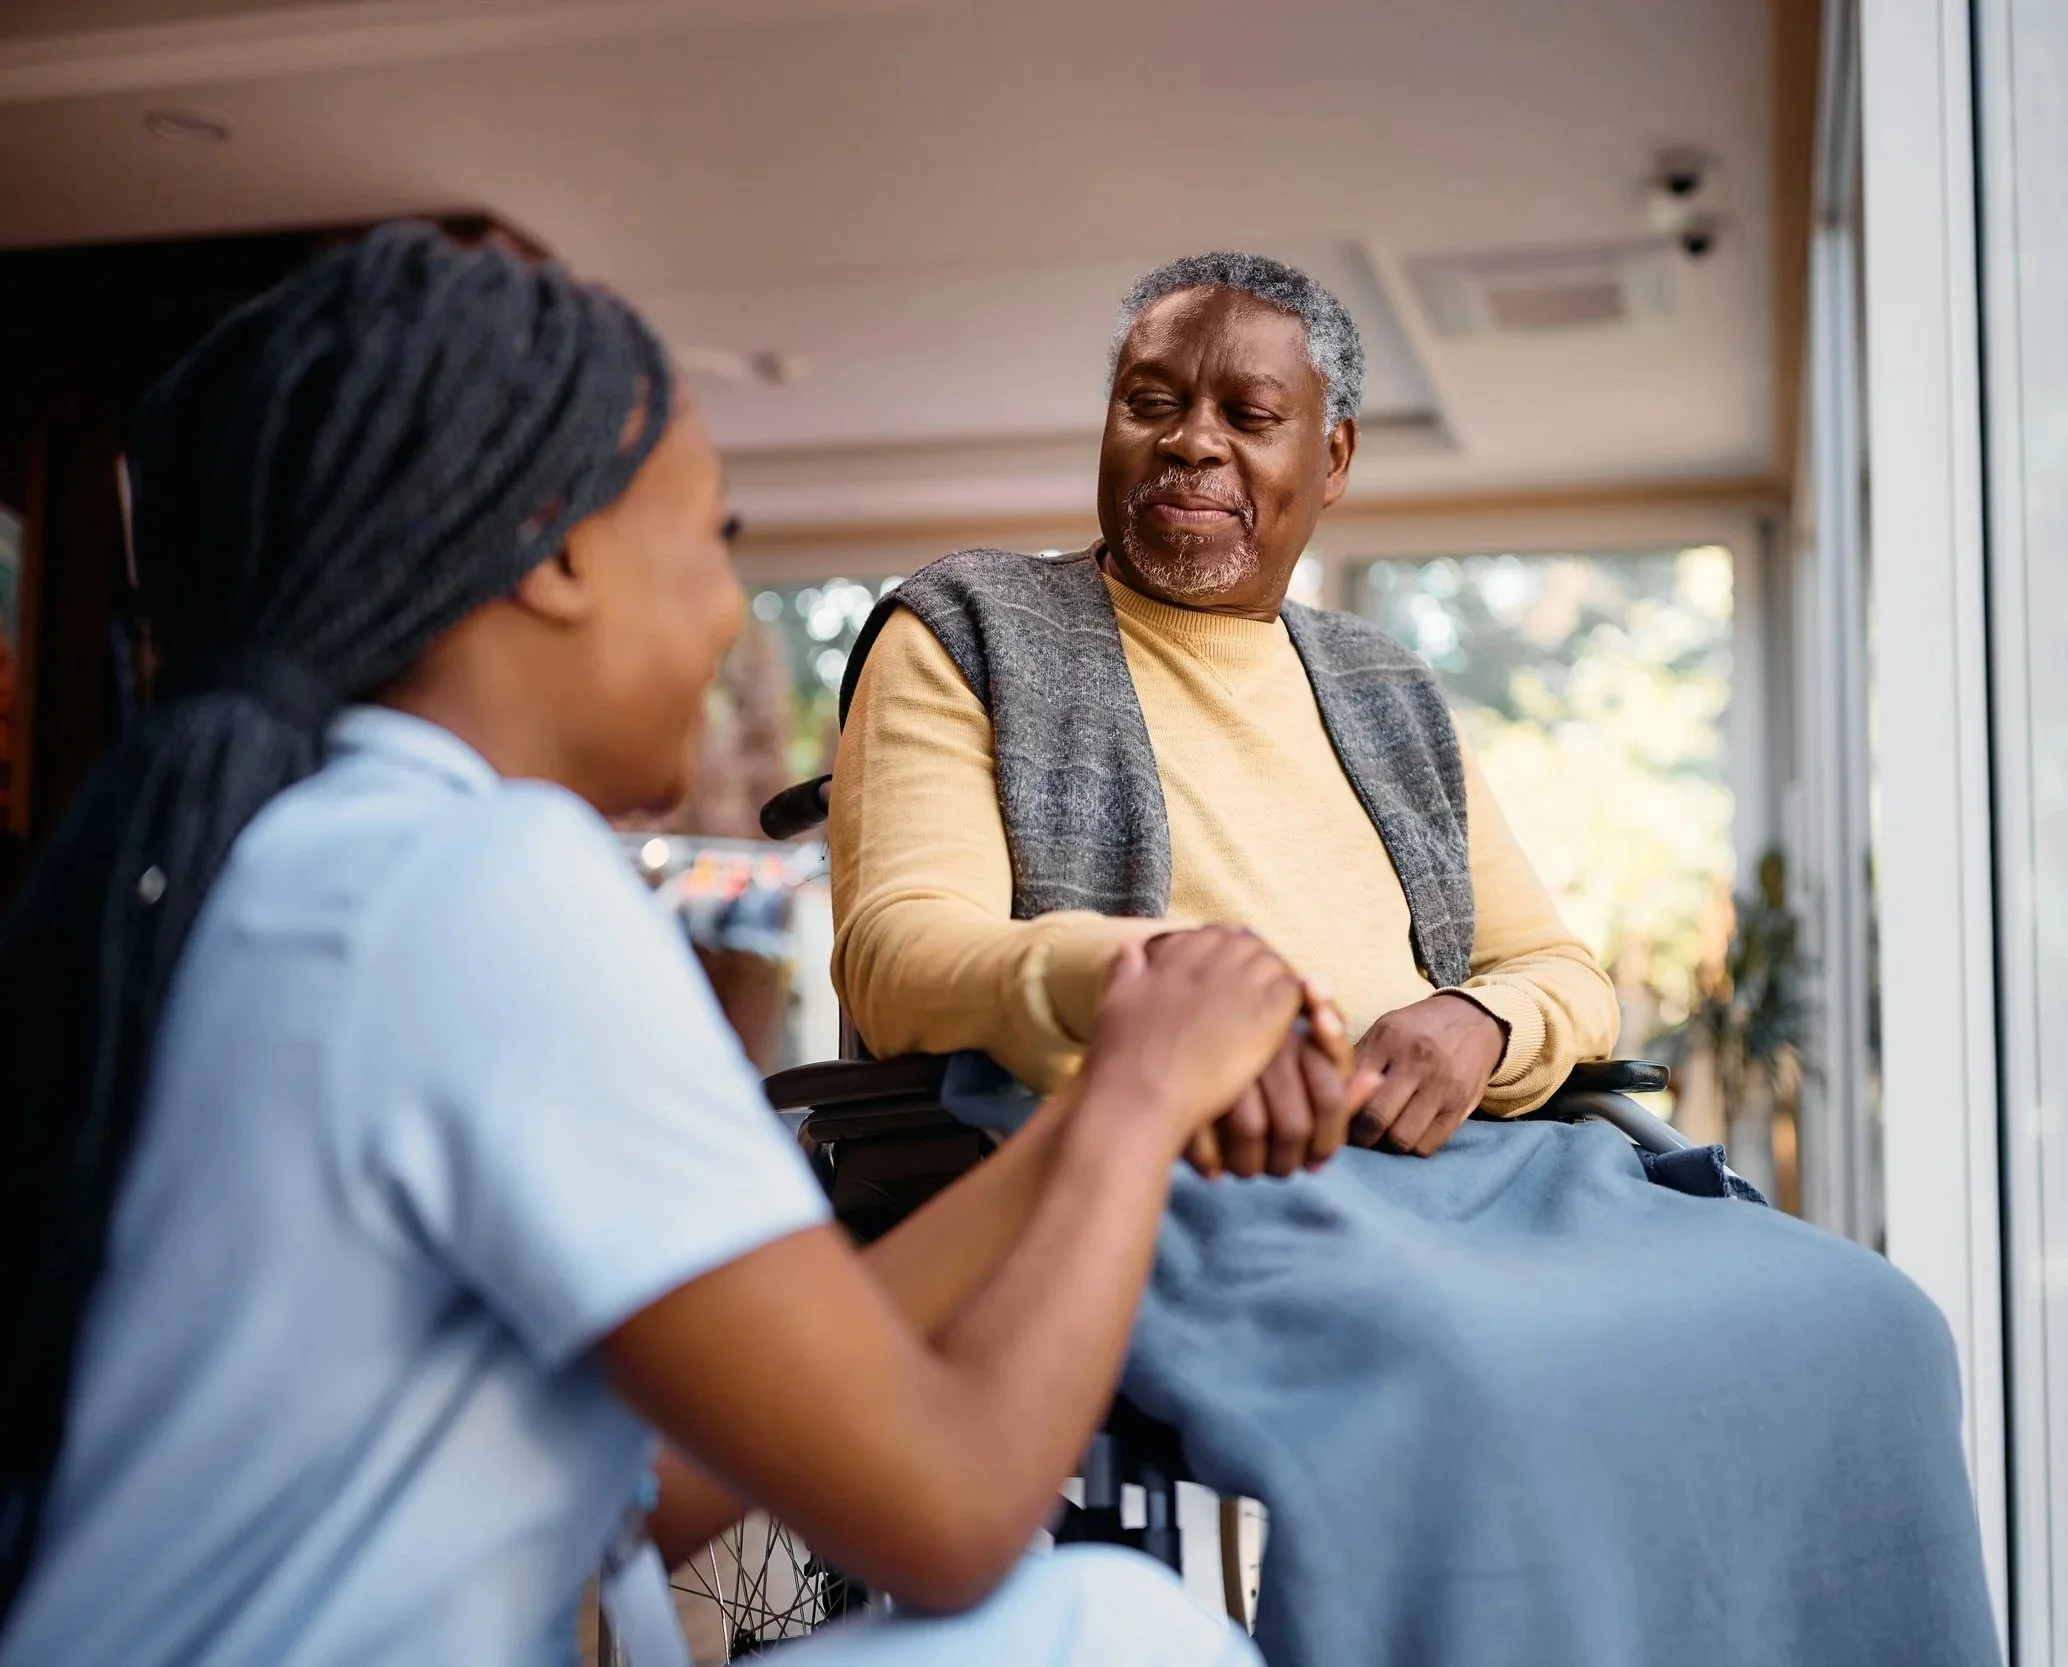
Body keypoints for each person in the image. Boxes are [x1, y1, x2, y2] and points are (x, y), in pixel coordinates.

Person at [0, 225, 1371, 1666]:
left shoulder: (324, 856)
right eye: (715, 535)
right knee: (1118, 1630)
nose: (731, 611)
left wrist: (1097, 1105)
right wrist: (1145, 1090)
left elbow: (655, 1477)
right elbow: (954, 1514)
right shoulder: (480, 883)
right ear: (559, 547)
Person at [833, 252, 1620, 1175]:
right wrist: (1153, 983)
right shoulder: (971, 628)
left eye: (1248, 417)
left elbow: (1563, 973)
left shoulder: (1390, 689)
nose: (1191, 443)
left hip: (1455, 1171)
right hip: (1158, 1176)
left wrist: (1488, 1019)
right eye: (1152, 403)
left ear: (1332, 458)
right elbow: (897, 956)